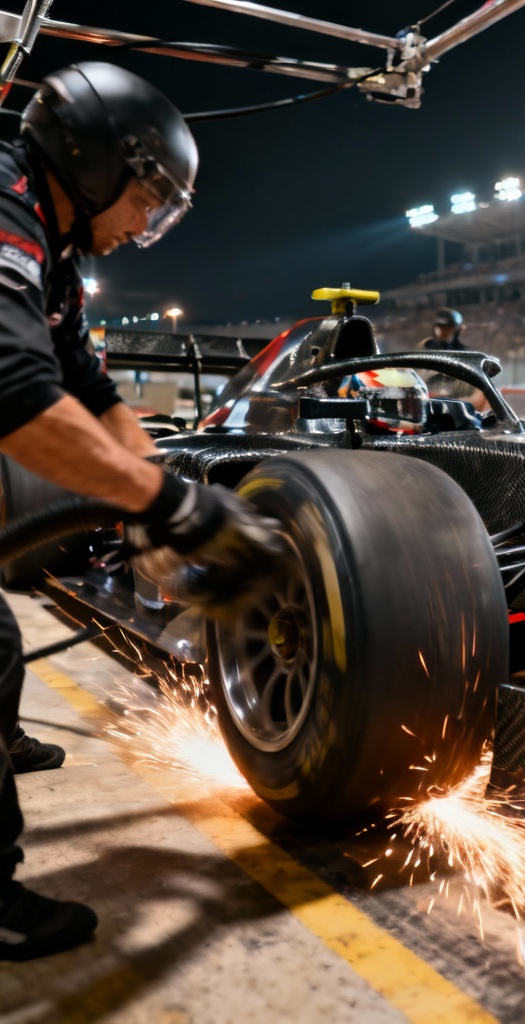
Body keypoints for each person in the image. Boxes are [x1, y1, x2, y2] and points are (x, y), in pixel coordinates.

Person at [0, 62, 282, 961]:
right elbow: (12, 393)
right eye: (145, 200)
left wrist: (166, 499)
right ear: (91, 165)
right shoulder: (2, 211)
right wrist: (168, 505)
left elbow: (91, 390)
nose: (141, 227)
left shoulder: (54, 251)